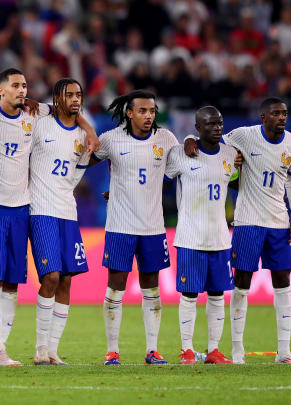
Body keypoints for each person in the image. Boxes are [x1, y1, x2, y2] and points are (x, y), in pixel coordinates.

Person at [0, 68, 100, 366]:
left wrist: (90, 129)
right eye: (15, 85)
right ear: (0, 90)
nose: (22, 90)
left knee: (11, 284)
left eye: (25, 85)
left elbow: (68, 109)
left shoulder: (36, 115)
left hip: (21, 207)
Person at [185, 97, 291, 364]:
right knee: (242, 284)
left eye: (284, 113)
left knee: (283, 283)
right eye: (275, 113)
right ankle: (238, 350)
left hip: (278, 223)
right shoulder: (243, 136)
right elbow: (211, 138)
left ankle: (284, 352)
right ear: (263, 117)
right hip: (247, 222)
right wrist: (189, 139)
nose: (281, 118)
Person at [90, 90, 179, 365]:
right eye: (142, 111)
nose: (149, 116)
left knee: (151, 287)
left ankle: (152, 349)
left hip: (153, 227)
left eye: (152, 111)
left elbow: (183, 168)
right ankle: (112, 350)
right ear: (129, 113)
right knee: (115, 286)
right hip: (119, 226)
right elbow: (82, 161)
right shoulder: (111, 139)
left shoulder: (166, 140)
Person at [165, 106, 236, 365]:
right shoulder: (181, 155)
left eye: (219, 123)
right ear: (198, 128)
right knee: (190, 294)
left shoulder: (231, 155)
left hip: (219, 238)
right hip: (189, 237)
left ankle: (214, 351)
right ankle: (187, 350)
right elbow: (158, 176)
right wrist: (186, 141)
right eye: (210, 124)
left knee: (217, 295)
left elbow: (238, 179)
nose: (217, 128)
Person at [29, 78, 91, 366]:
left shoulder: (83, 134)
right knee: (51, 277)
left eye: (79, 94)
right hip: (40, 209)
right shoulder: (40, 123)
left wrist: (89, 128)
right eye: (70, 94)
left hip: (68, 210)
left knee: (66, 279)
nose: (76, 99)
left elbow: (77, 174)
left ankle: (53, 351)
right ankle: (40, 348)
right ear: (57, 97)